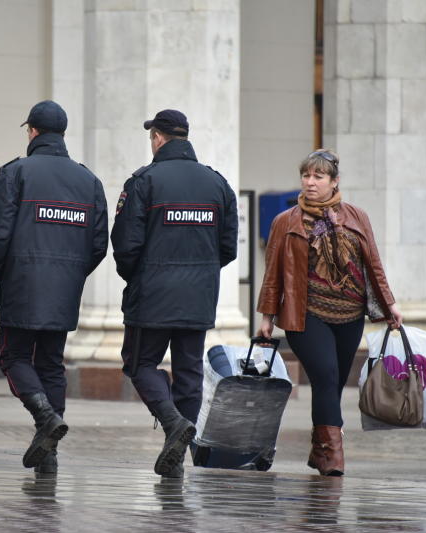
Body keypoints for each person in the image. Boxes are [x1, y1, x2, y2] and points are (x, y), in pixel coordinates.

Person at [256, 148, 402, 476]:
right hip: (304, 315)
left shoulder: (357, 217)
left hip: (349, 315)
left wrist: (389, 304)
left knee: (331, 386)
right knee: (325, 375)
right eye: (306, 176)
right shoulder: (286, 221)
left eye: (318, 177)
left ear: (334, 182)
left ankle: (320, 450)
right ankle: (335, 456)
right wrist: (267, 317)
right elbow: (273, 272)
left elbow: (373, 264)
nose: (310, 182)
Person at [111, 109, 238, 478]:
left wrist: (137, 277)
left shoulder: (143, 181)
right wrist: (199, 273)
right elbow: (227, 248)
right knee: (188, 373)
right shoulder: (217, 184)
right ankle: (177, 456)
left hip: (151, 295)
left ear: (158, 138)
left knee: (139, 364)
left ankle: (172, 424)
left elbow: (125, 245)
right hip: (198, 295)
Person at [0, 100, 108, 474]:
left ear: (32, 132)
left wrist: (0, 273)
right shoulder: (89, 181)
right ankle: (49, 453)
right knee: (52, 363)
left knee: (14, 357)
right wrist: (72, 274)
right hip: (64, 288)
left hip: (21, 283)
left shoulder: (15, 173)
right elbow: (99, 243)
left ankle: (44, 420)